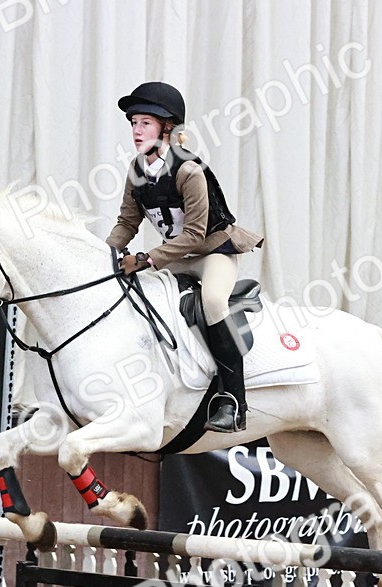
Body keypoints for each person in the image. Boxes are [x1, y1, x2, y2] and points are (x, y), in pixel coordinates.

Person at [106, 81, 264, 433]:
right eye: (133, 123)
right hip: (175, 256)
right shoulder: (136, 171)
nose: (136, 130)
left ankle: (234, 402)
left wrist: (145, 259)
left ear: (167, 127)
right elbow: (126, 223)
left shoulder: (189, 171)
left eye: (145, 122)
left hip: (212, 253)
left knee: (212, 302)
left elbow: (194, 234)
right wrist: (104, 257)